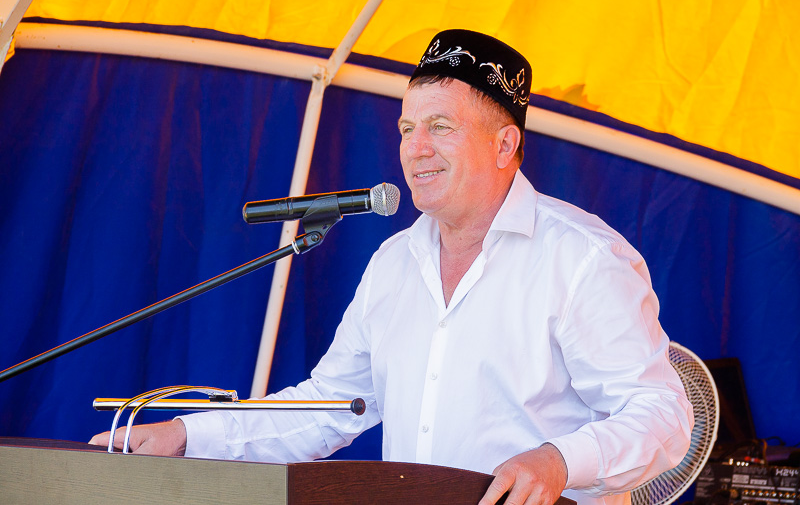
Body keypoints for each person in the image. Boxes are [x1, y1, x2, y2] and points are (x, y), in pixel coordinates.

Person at [91, 29, 693, 505]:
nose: (415, 148)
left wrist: (560, 461)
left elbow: (664, 415)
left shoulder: (583, 258)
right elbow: (329, 406)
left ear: (504, 145)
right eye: (407, 128)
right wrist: (188, 436)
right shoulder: (394, 263)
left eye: (441, 127)